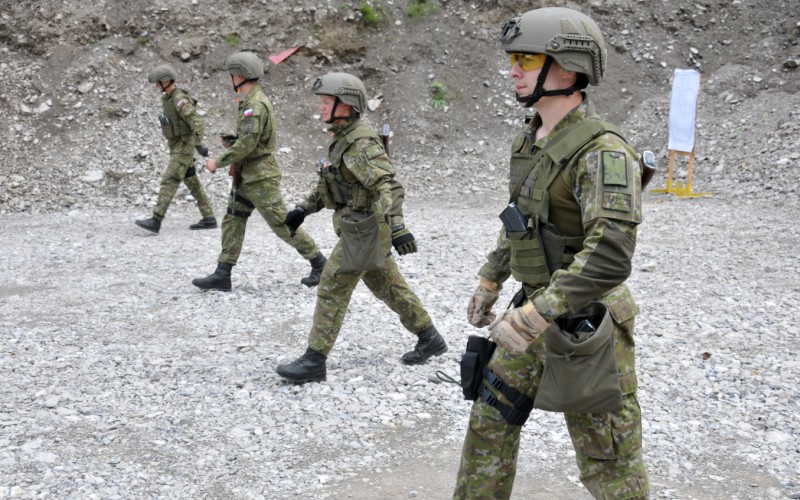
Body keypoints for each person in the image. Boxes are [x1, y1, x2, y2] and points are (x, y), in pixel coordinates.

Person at [454, 7, 649, 499]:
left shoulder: (602, 151)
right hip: (533, 309)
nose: (512, 69)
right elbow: (520, 219)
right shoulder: (531, 138)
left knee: (608, 457)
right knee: (488, 427)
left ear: (567, 67)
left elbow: (608, 256)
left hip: (585, 323)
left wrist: (535, 314)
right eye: (512, 58)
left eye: (525, 57)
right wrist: (490, 279)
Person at [275, 72, 447, 384]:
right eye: (323, 102)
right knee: (387, 286)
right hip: (361, 227)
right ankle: (429, 336)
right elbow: (332, 184)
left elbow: (389, 187)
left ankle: (314, 360)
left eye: (328, 102)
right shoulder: (343, 140)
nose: (322, 108)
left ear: (347, 105)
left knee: (332, 284)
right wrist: (303, 208)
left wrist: (398, 228)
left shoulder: (362, 144)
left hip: (365, 229)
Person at [192, 52, 326, 291]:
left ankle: (319, 263)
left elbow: (248, 145)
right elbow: (249, 139)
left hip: (260, 177)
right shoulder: (250, 101)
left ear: (240, 76)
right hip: (247, 176)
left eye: (232, 75)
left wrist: (217, 161)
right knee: (233, 220)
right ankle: (223, 273)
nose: (230, 79)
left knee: (282, 223)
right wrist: (234, 140)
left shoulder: (254, 105)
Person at [135, 64, 216, 233]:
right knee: (192, 181)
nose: (156, 86)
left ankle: (156, 220)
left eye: (158, 83)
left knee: (170, 179)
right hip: (177, 146)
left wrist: (199, 144)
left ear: (166, 81)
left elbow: (198, 122)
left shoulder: (179, 99)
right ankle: (209, 218)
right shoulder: (169, 98)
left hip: (183, 147)